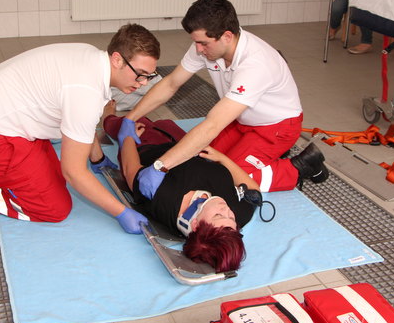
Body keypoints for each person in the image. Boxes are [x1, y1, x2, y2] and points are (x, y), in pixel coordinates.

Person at [0, 24, 161, 234]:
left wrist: (97, 157)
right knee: (54, 207)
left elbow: (80, 119)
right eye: (140, 74)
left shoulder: (91, 57)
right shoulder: (85, 91)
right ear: (117, 59)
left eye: (148, 77)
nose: (143, 83)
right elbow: (74, 172)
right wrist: (120, 212)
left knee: (54, 180)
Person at [119, 0, 317, 204]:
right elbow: (171, 84)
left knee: (228, 179)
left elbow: (213, 124)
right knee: (201, 163)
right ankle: (261, 157)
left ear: (227, 36)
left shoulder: (256, 64)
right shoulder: (207, 45)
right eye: (196, 42)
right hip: (240, 119)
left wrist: (160, 166)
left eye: (203, 43)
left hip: (276, 127)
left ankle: (299, 168)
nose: (198, 50)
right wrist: (130, 119)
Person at [104, 108, 330, 272]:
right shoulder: (238, 215)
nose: (226, 209)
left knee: (126, 120)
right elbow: (253, 189)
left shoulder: (161, 199)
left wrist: (128, 139)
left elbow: (130, 167)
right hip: (189, 144)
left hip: (151, 147)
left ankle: (108, 111)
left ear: (194, 224)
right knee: (167, 123)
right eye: (230, 218)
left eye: (219, 215)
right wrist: (223, 159)